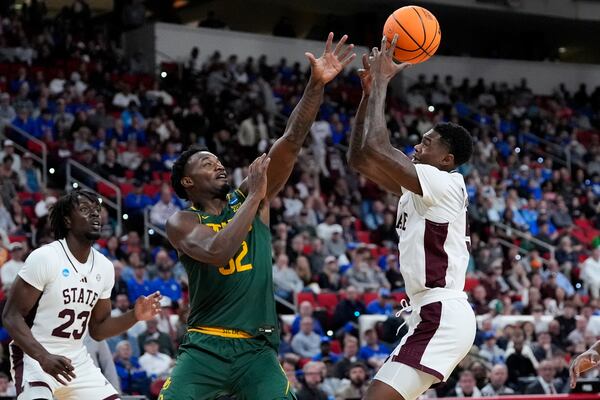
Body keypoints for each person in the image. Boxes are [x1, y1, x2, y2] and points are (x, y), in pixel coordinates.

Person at [159, 33, 355, 400]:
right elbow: (219, 252)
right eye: (206, 163)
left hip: (257, 350)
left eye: (217, 160)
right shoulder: (183, 221)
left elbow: (292, 138)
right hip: (205, 347)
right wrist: (256, 197)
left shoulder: (252, 195)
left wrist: (315, 85)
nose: (217, 164)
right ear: (188, 181)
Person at [346, 35, 476, 400]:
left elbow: (376, 146)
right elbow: (358, 157)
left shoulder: (443, 182)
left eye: (426, 144)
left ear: (446, 159)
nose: (417, 147)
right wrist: (368, 94)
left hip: (441, 313)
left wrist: (383, 84)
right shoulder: (420, 187)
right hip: (427, 313)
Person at [2, 189, 162, 399]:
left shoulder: (104, 266)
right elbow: (11, 316)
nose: (96, 214)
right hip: (35, 357)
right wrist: (44, 357)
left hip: (77, 361)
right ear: (68, 220)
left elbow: (98, 329)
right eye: (85, 209)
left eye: (97, 209)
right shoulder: (46, 257)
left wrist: (135, 316)